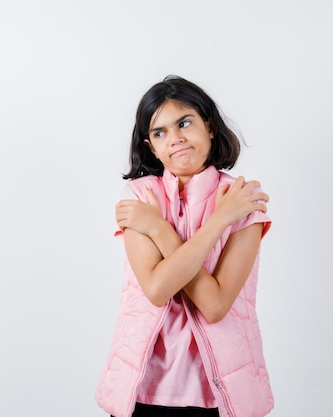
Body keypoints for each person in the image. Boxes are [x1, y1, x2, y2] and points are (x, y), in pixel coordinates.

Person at [95, 75, 274, 417]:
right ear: (150, 146)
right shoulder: (141, 197)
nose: (174, 138)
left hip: (221, 396)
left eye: (184, 123)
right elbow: (158, 288)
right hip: (143, 392)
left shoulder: (243, 200)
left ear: (209, 127)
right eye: (159, 132)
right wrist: (215, 222)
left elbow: (215, 304)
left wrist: (164, 229)